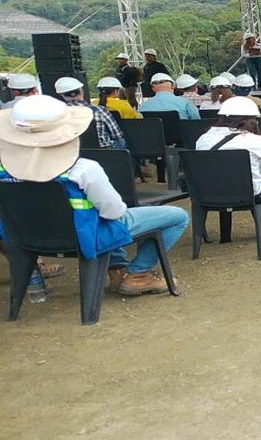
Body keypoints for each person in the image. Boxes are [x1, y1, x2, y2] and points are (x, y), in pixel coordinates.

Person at [0, 95, 190, 296]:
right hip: (85, 235)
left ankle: (117, 270)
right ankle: (138, 274)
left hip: (26, 238)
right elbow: (114, 212)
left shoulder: (4, 171)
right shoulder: (83, 169)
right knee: (177, 217)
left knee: (103, 216)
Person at [195, 97, 261, 237]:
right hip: (253, 194)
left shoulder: (203, 139)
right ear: (252, 120)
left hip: (212, 193)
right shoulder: (259, 141)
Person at [54, 77, 125, 149]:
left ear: (61, 95)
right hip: (103, 153)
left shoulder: (57, 114)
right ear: (82, 91)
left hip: (72, 152)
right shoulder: (99, 110)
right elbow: (117, 135)